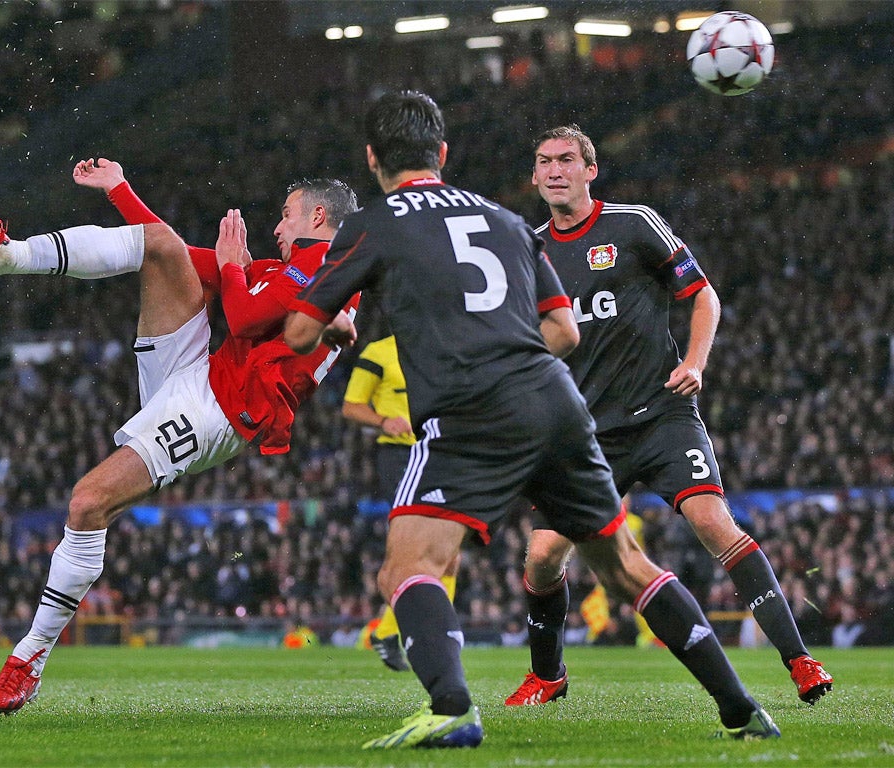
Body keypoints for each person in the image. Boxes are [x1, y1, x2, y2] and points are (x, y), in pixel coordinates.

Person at [284, 90, 779, 749]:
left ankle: (453, 706)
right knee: (626, 564)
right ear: (444, 153)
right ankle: (741, 708)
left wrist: (343, 324)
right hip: (555, 401)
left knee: (406, 570)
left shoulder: (375, 222)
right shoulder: (507, 220)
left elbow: (297, 333)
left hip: (468, 411)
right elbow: (565, 331)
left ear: (373, 158)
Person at [0, 158, 359, 714]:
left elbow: (239, 319)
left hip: (218, 412)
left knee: (88, 502)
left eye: (286, 217)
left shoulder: (331, 270)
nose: (277, 228)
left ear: (318, 216)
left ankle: (28, 659)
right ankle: (4, 254)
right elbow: (181, 257)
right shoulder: (285, 270)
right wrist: (120, 190)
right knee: (161, 246)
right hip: (197, 374)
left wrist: (233, 267)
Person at [504, 124, 832, 708]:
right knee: (542, 555)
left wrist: (697, 364)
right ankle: (547, 674)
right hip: (585, 435)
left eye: (566, 160)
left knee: (713, 523)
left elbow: (704, 296)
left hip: (660, 415)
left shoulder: (633, 226)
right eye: (544, 161)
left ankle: (800, 659)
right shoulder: (528, 251)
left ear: (589, 170)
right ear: (534, 176)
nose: (554, 170)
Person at [341, 334, 457, 671]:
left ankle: (400, 631)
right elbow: (351, 405)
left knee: (449, 555)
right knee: (419, 550)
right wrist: (383, 421)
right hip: (400, 456)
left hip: (437, 452)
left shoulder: (442, 347)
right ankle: (421, 634)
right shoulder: (379, 352)